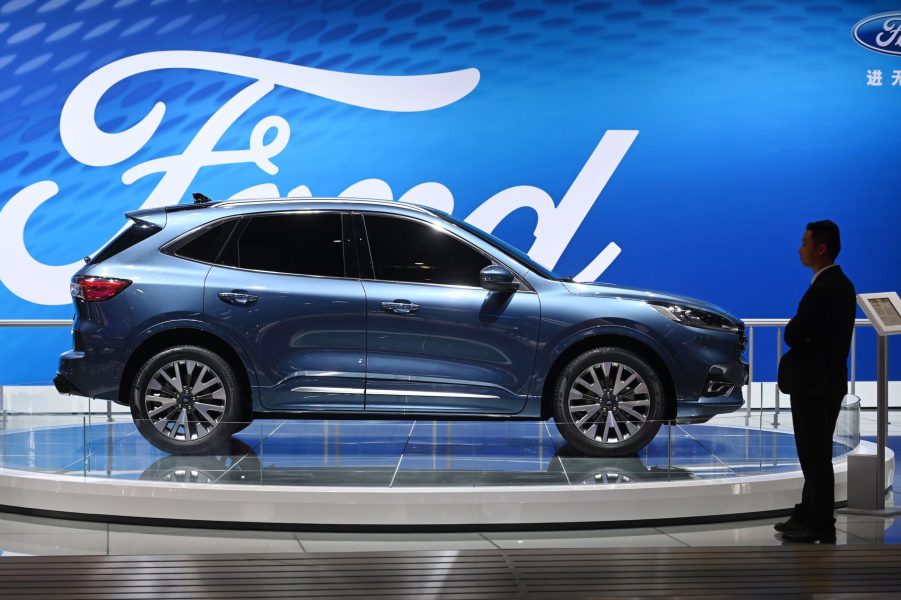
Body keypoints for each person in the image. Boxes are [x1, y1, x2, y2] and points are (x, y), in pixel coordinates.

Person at [776, 220, 856, 543]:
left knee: (815, 455)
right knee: (815, 453)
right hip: (827, 383)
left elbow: (794, 333)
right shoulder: (841, 285)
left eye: (805, 243)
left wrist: (797, 328)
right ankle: (808, 513)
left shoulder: (824, 289)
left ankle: (819, 522)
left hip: (814, 386)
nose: (800, 248)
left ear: (820, 248)